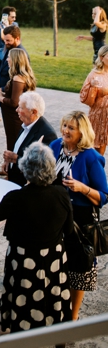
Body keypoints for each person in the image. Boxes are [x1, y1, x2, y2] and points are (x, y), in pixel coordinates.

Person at [0, 142, 72, 348]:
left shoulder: (16, 197)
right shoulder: (61, 194)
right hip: (53, 260)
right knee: (56, 305)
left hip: (24, 262)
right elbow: (68, 229)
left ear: (25, 169)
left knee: (24, 310)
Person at [50, 111, 108, 320]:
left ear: (81, 132)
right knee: (56, 264)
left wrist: (82, 188)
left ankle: (72, 318)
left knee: (78, 268)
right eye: (64, 125)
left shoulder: (91, 157)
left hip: (80, 219)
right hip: (56, 216)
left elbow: (103, 196)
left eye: (71, 128)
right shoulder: (56, 146)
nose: (65, 130)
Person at [2, 91, 57, 186]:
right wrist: (9, 164)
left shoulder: (47, 134)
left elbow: (40, 167)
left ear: (33, 112)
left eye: (21, 108)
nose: (17, 110)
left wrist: (16, 159)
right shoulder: (27, 124)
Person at [0, 45, 36, 150]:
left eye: (9, 57)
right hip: (14, 117)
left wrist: (0, 96)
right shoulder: (22, 76)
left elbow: (14, 102)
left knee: (13, 143)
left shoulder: (18, 78)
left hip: (14, 118)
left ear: (15, 60)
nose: (6, 60)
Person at [79, 45, 108, 154]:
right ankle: (97, 169)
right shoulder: (94, 75)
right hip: (99, 116)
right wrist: (92, 88)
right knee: (98, 148)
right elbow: (86, 99)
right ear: (101, 57)